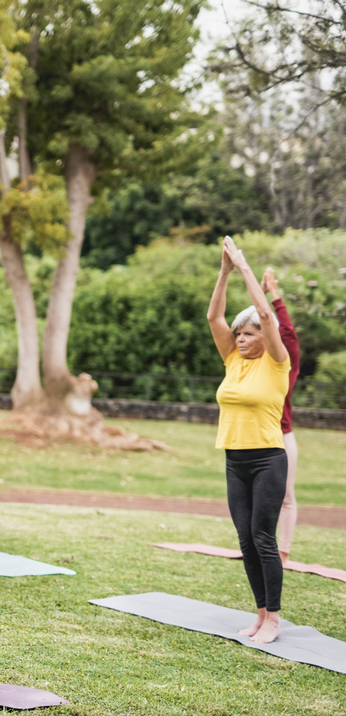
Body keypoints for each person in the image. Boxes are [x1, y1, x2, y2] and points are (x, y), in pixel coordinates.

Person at [207, 236, 290, 644]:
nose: (240, 338)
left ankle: (274, 618)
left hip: (267, 459)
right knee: (245, 539)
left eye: (249, 333)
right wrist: (222, 273)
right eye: (238, 333)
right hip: (234, 460)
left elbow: (265, 314)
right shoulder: (233, 360)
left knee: (263, 536)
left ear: (263, 335)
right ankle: (259, 613)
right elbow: (213, 318)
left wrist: (243, 267)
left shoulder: (277, 364)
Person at [261, 268, 301, 565]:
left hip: (282, 436)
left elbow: (286, 331)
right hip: (256, 436)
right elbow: (250, 321)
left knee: (286, 495)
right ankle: (260, 547)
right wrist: (260, 294)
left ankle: (283, 552)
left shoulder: (285, 363)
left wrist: (274, 294)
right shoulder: (254, 362)